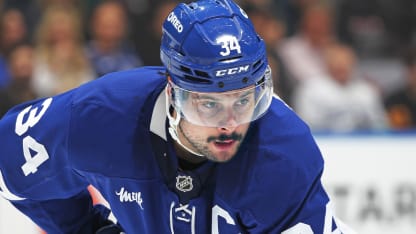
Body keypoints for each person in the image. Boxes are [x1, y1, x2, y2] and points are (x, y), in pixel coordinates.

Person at [0, 0, 353, 233]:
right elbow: (8, 154)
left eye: (244, 101)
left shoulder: (282, 154)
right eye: (210, 104)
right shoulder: (101, 115)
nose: (230, 124)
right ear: (172, 91)